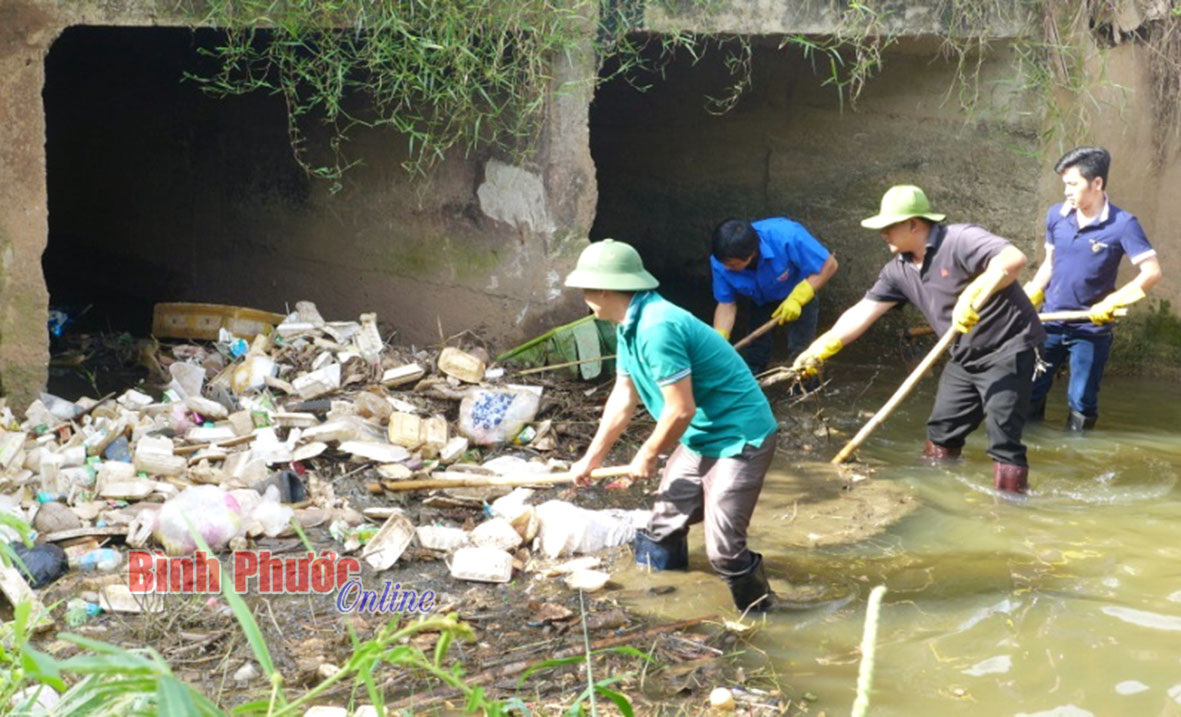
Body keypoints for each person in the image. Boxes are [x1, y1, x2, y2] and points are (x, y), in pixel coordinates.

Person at [564, 239, 780, 612]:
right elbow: (623, 397)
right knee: (662, 526)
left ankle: (765, 616)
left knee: (724, 551)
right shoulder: (628, 325)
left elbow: (680, 410)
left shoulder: (656, 327)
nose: (585, 298)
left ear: (605, 289)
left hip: (740, 437)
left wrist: (648, 454)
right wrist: (591, 459)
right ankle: (661, 600)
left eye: (586, 289)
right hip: (700, 436)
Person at [791, 185, 1045, 494]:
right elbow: (865, 310)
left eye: (889, 226)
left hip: (1009, 348)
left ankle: (1009, 504)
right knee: (942, 430)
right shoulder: (897, 270)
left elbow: (1013, 258)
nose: (883, 233)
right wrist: (823, 346)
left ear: (914, 224)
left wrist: (975, 291)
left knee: (1003, 438)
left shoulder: (960, 239)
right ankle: (931, 493)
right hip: (963, 355)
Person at [1022, 147, 1163, 430]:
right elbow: (1050, 263)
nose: (1067, 191)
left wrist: (1114, 301)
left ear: (1096, 183)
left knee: (1081, 400)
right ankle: (1027, 444)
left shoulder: (1123, 224)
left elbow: (1152, 272)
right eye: (1065, 184)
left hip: (1091, 328)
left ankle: (1076, 451)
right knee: (1029, 390)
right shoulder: (1056, 216)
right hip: (1049, 322)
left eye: (1073, 184)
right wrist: (1031, 294)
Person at [710, 218, 839, 373]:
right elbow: (726, 304)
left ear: (751, 254)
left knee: (802, 349)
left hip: (799, 290)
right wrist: (719, 340)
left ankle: (804, 380)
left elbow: (829, 265)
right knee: (755, 352)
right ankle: (754, 381)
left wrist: (798, 298)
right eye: (724, 263)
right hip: (761, 298)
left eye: (732, 265)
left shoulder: (787, 236)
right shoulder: (721, 262)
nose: (726, 268)